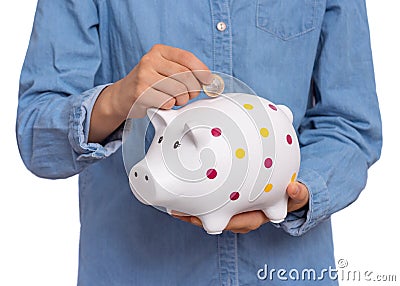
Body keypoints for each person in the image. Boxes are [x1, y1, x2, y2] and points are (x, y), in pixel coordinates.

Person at [16, 1, 382, 285]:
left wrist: (291, 192)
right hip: (133, 269)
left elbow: (351, 124)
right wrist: (117, 100)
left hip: (286, 267)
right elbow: (35, 135)